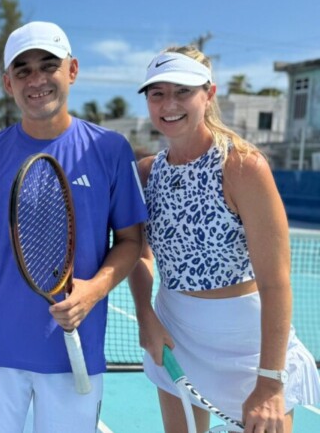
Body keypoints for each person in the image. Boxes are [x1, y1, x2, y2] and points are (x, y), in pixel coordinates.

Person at [0, 21, 148, 432]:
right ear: (8, 83)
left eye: (48, 65)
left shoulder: (110, 150)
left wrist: (93, 290)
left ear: (72, 71)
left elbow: (131, 241)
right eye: (22, 70)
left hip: (76, 353)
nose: (36, 79)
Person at [129, 46, 320, 433]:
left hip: (250, 348)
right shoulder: (146, 173)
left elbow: (275, 281)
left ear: (208, 94)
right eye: (157, 93)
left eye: (183, 91)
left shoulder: (242, 167)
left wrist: (269, 382)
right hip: (176, 334)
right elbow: (138, 255)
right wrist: (145, 316)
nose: (169, 104)